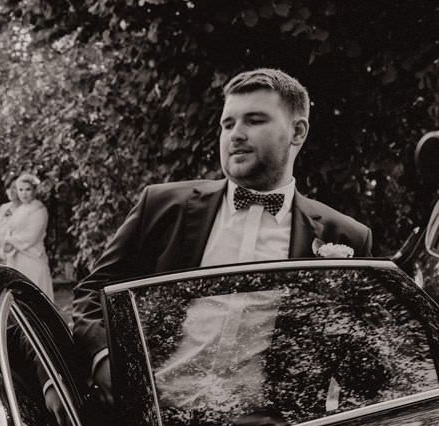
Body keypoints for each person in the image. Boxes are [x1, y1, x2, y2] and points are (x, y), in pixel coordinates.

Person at [72, 68, 373, 402]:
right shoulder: (162, 206)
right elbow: (92, 295)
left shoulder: (346, 237)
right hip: (152, 425)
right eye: (228, 124)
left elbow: (360, 362)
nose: (236, 135)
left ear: (297, 132)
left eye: (254, 120)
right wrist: (105, 361)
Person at [0, 173, 52, 296]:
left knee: (36, 292)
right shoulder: (19, 210)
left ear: (35, 190)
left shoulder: (40, 210)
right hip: (16, 258)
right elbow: (9, 229)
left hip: (33, 256)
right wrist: (6, 243)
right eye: (20, 190)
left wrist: (9, 240)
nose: (24, 193)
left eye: (28, 189)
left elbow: (32, 236)